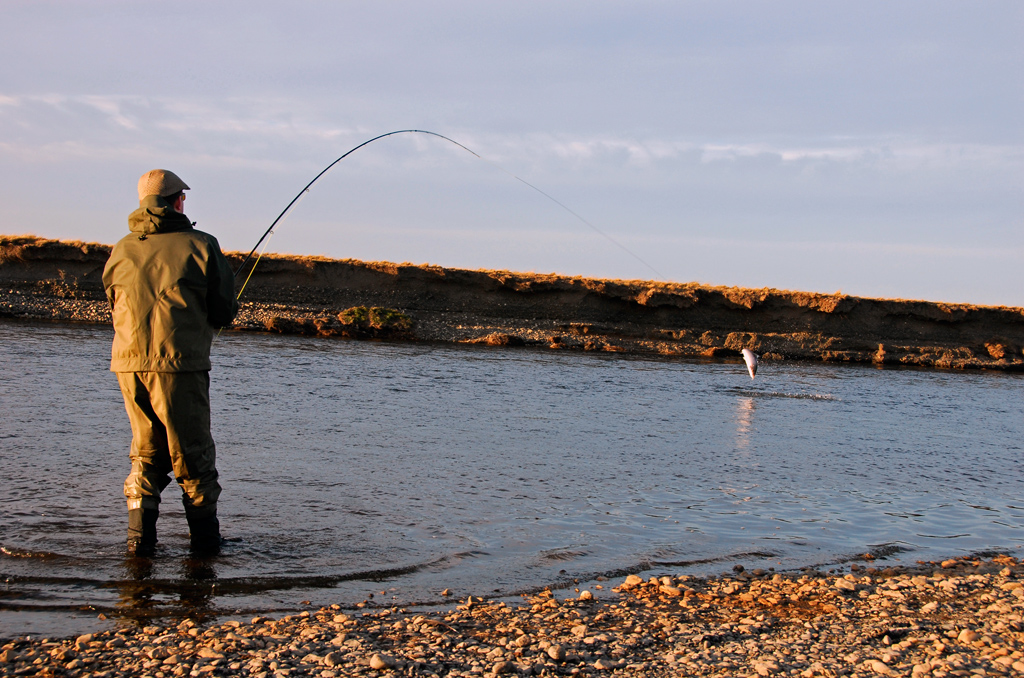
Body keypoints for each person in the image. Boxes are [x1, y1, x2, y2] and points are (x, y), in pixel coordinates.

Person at [102, 169, 238, 557]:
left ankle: (138, 546)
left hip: (127, 366)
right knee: (192, 454)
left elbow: (114, 302)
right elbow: (224, 310)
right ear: (178, 201)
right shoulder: (202, 245)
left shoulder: (122, 248)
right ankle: (205, 549)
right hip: (180, 366)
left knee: (146, 453)